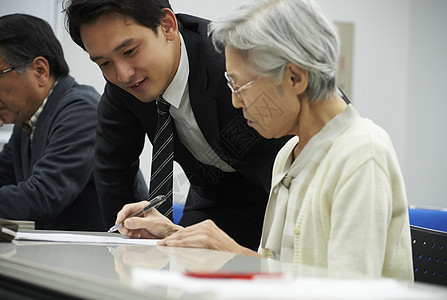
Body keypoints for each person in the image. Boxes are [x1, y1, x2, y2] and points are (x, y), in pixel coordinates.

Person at [114, 0, 414, 281]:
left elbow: (348, 291)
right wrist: (174, 234)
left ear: (295, 78)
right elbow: (277, 265)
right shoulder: (288, 154)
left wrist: (233, 255)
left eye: (240, 85)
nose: (234, 101)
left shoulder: (362, 153)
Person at [64, 0, 288, 249]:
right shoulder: (122, 90)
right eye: (105, 63)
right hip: (218, 194)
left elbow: (313, 126)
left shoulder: (232, 58)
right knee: (178, 260)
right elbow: (112, 171)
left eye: (130, 51)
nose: (123, 74)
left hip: (286, 187)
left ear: (167, 25)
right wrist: (129, 242)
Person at [0, 14, 104, 231]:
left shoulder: (82, 109)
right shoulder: (26, 120)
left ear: (40, 71)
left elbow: (42, 197)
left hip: (105, 257)